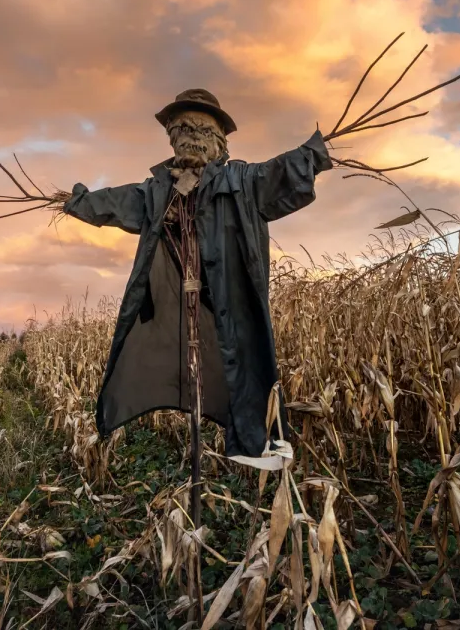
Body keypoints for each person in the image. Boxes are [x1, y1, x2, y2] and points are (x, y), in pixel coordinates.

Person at [62, 89, 332, 457]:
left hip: (225, 302)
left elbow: (278, 174)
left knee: (243, 363)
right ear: (172, 136)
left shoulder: (243, 182)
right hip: (179, 308)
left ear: (219, 141)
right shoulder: (157, 192)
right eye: (183, 128)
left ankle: (251, 440)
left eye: (202, 130)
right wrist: (79, 202)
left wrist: (312, 154)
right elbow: (115, 202)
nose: (191, 137)